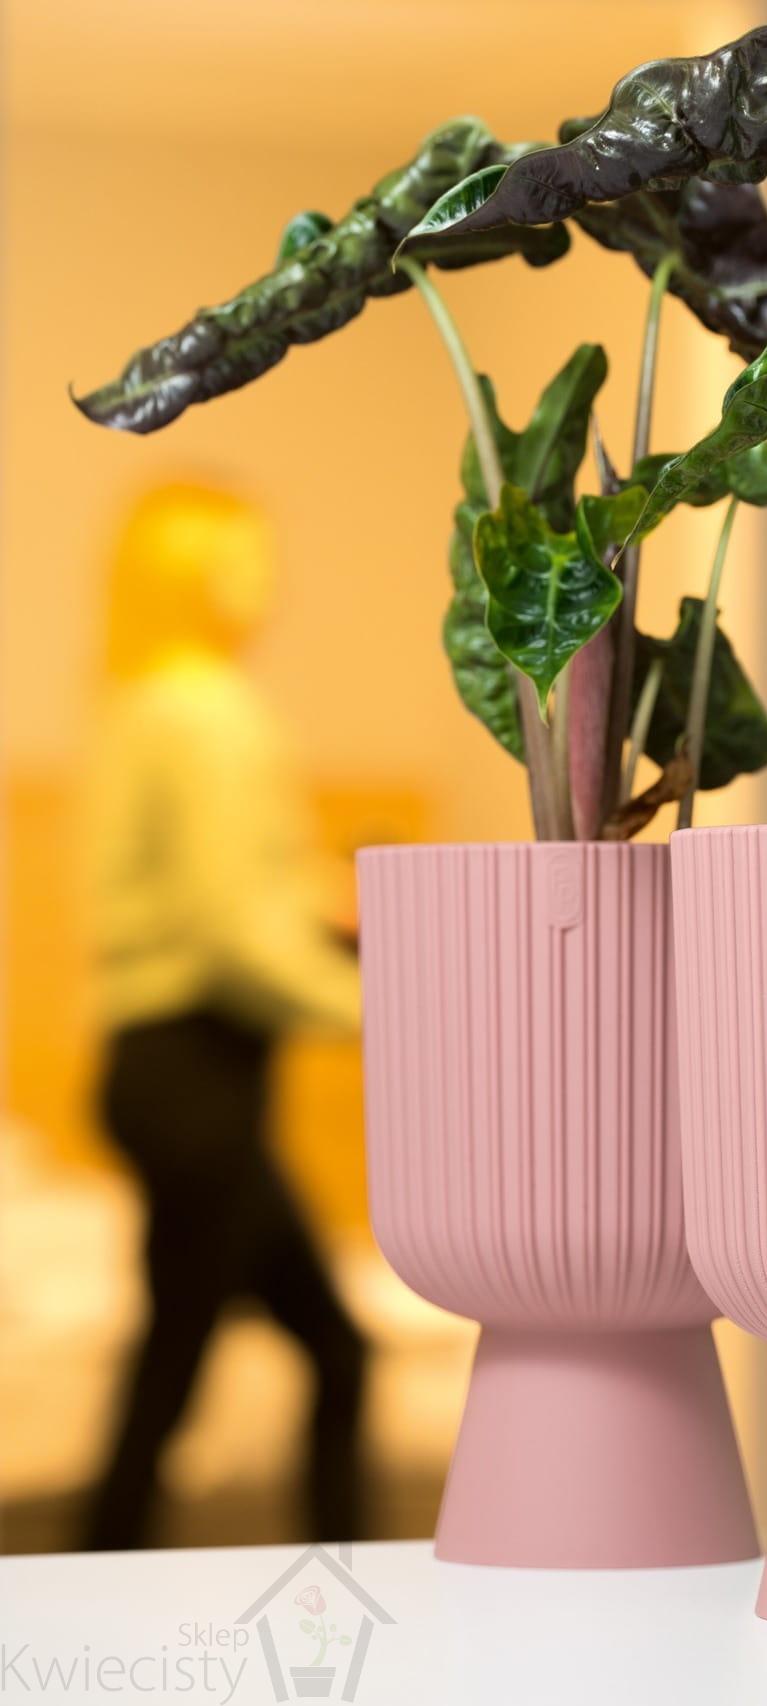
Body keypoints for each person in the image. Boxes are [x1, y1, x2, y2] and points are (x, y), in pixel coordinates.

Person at [83, 481, 366, 1550]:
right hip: (195, 1069)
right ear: (188, 573)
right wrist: (376, 1013)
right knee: (313, 1349)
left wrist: (325, 903)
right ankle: (344, 1578)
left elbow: (233, 889)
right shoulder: (207, 712)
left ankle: (101, 1559)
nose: (267, 579)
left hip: (161, 1067)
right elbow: (229, 933)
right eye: (241, 557)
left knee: (186, 1349)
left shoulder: (145, 701)